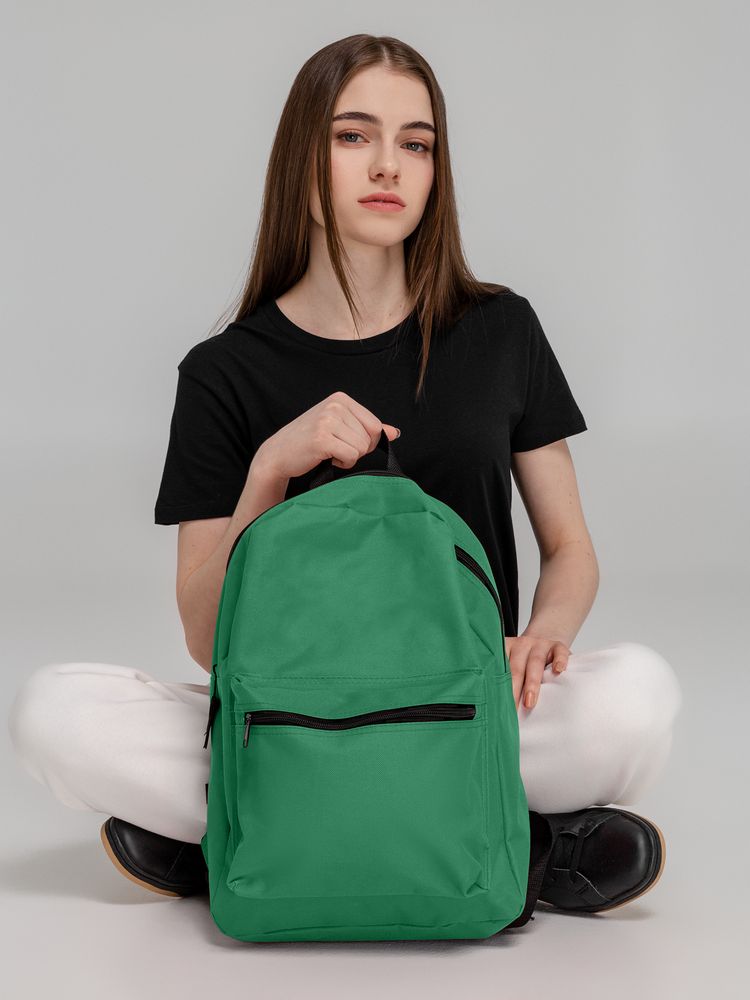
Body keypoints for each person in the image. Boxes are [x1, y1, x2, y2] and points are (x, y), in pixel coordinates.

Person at [7, 34, 682, 923]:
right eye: (354, 136)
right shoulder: (222, 373)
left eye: (416, 143)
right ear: (303, 156)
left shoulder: (501, 330)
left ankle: (258, 834)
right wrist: (269, 468)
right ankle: (521, 840)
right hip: (298, 714)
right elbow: (208, 641)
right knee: (54, 712)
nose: (388, 166)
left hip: (463, 703)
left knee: (636, 696)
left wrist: (545, 635)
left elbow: (570, 549)